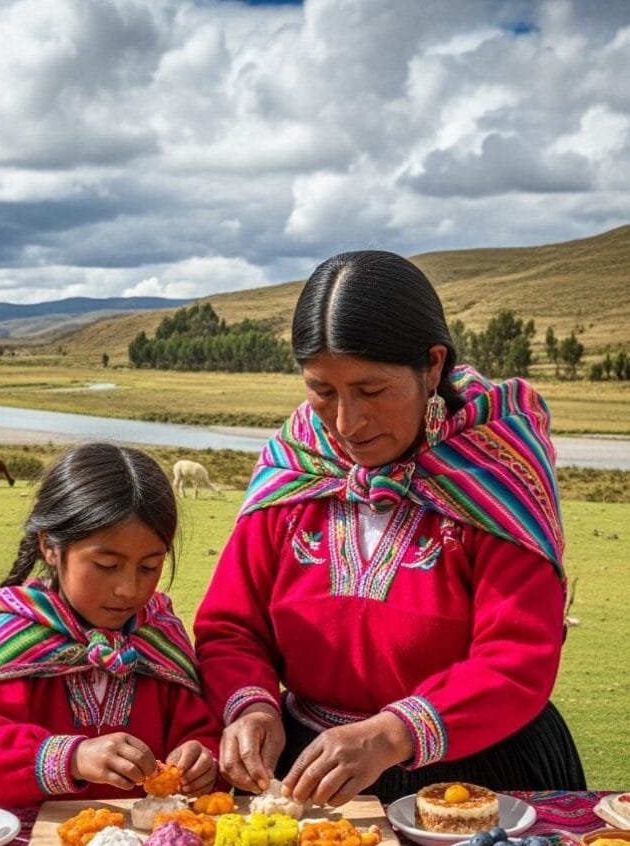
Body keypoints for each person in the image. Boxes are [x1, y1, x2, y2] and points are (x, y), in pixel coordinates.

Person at [195, 250, 585, 807]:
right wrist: (252, 705)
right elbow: (231, 627)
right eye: (322, 391)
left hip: (478, 776)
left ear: (432, 365)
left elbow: (517, 655)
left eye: (372, 391)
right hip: (308, 774)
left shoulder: (496, 470)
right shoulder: (296, 467)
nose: (346, 423)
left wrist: (392, 734)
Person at [0, 442, 220, 808]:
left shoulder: (159, 635)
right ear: (50, 546)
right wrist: (73, 758)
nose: (129, 589)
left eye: (149, 567)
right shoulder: (11, 634)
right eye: (106, 565)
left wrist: (202, 759)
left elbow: (200, 730)